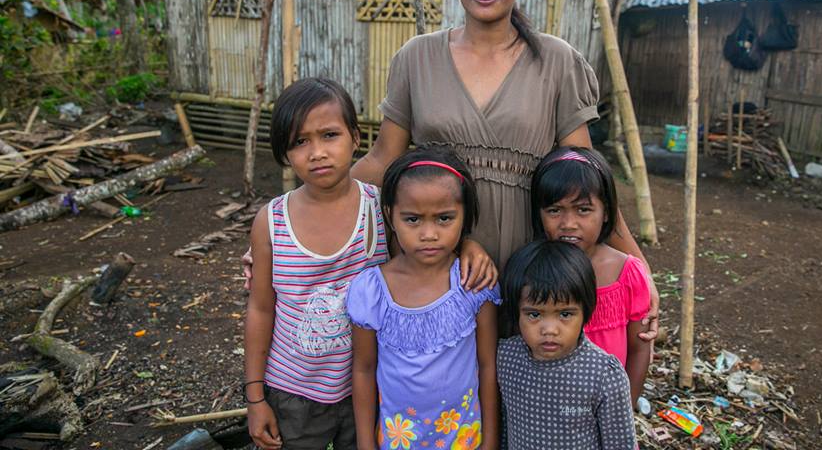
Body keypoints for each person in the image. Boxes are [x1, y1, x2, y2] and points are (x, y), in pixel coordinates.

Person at [351, 0, 658, 337]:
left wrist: (639, 267)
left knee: (524, 383)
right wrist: (296, 219)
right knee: (448, 390)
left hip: (532, 266)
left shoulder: (556, 61)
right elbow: (382, 160)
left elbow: (586, 177)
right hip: (440, 259)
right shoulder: (416, 58)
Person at [244, 77, 389, 450]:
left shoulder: (383, 210)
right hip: (293, 391)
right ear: (284, 152)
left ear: (356, 138)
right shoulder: (271, 221)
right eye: (300, 142)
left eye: (329, 135)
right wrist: (255, 398)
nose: (317, 152)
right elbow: (261, 309)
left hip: (371, 385)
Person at [347, 147, 499, 450]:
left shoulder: (474, 283)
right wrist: (365, 443)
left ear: (464, 216)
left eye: (444, 218)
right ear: (390, 215)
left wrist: (491, 441)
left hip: (465, 440)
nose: (429, 234)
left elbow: (487, 365)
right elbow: (363, 369)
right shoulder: (371, 291)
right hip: (398, 440)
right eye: (413, 220)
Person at [531, 146, 652, 407]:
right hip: (548, 412)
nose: (568, 223)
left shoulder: (626, 273)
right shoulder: (532, 269)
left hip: (606, 409)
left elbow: (640, 348)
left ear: (607, 212)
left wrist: (623, 410)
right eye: (554, 210)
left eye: (583, 210)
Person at [498, 240, 638, 450]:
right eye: (534, 314)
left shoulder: (603, 374)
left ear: (586, 311)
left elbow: (620, 444)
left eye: (565, 314)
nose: (550, 330)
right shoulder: (506, 358)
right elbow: (505, 428)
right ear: (516, 312)